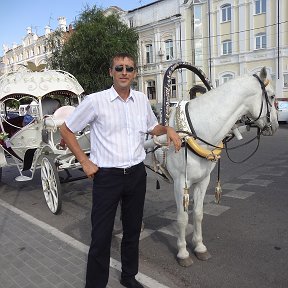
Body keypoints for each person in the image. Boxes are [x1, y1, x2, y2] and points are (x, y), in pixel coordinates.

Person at [60, 52, 181, 288]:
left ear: (135, 73)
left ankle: (128, 277)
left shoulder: (141, 100)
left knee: (132, 230)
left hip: (136, 174)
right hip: (107, 177)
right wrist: (85, 161)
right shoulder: (96, 101)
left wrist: (168, 129)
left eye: (129, 68)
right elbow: (66, 130)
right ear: (111, 72)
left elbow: (152, 127)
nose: (124, 72)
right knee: (102, 236)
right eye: (119, 68)